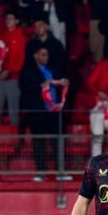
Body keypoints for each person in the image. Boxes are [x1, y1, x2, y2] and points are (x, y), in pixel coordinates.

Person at [19, 46, 67, 181]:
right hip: (38, 112)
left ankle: (60, 172)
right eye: (43, 54)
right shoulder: (29, 71)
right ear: (35, 55)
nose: (45, 57)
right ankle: (40, 172)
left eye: (46, 55)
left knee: (57, 142)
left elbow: (60, 83)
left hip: (53, 112)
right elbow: (24, 88)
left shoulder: (52, 69)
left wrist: (64, 82)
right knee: (39, 142)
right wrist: (40, 85)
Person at [0, 9, 26, 126]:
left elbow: (20, 59)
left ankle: (15, 141)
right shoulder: (1, 36)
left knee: (13, 111)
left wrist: (9, 70)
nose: (8, 21)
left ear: (17, 21)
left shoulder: (21, 38)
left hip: (13, 79)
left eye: (11, 18)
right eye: (6, 19)